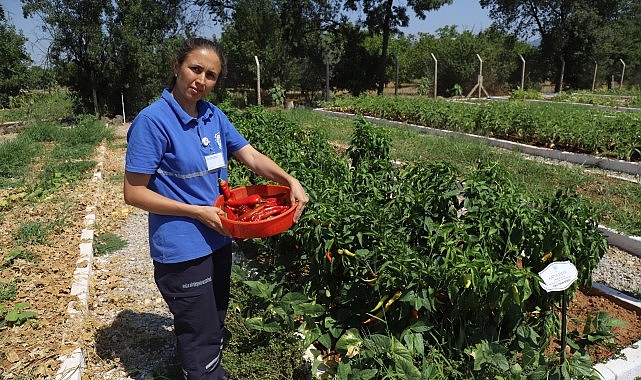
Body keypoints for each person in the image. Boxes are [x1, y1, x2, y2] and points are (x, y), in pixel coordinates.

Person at [123, 36, 308, 379]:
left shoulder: (212, 116)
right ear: (176, 66)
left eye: (210, 75)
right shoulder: (154, 121)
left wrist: (289, 180)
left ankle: (202, 369)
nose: (201, 80)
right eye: (195, 69)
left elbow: (250, 156)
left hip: (219, 238)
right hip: (182, 247)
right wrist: (197, 211)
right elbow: (134, 193)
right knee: (200, 334)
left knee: (214, 317)